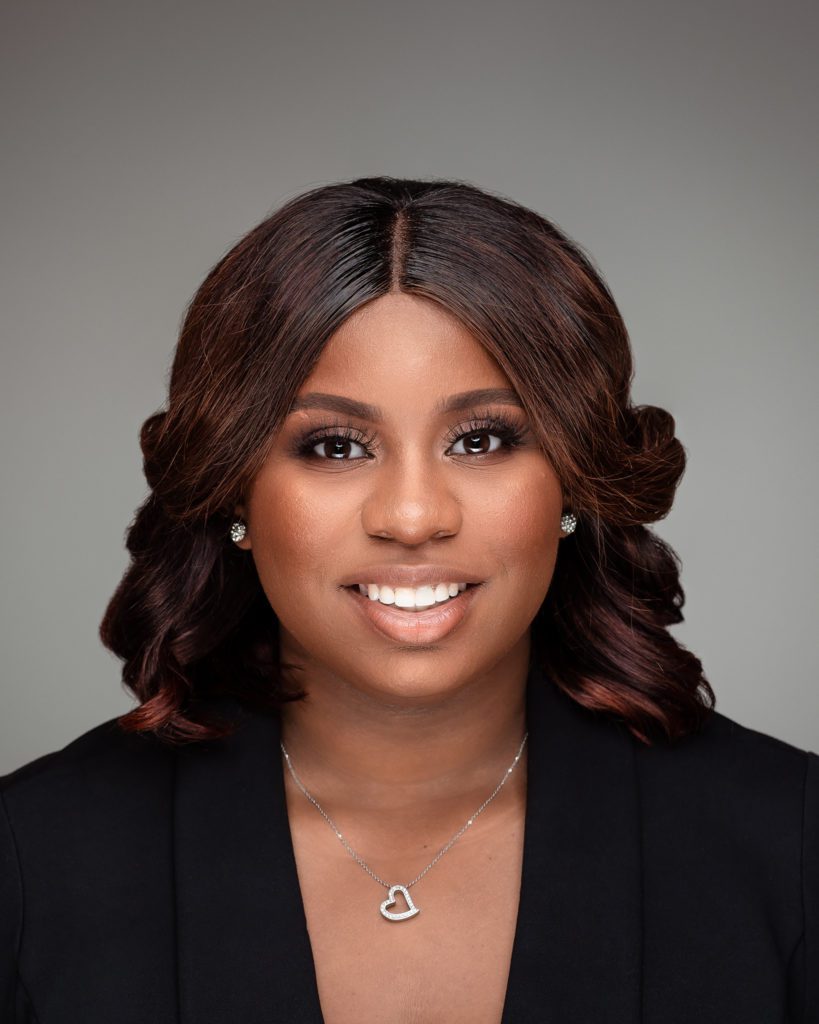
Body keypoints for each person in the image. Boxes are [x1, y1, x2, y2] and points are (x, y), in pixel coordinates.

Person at [0, 177, 816, 1023]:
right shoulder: (33, 860)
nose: (414, 516)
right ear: (234, 490)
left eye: (481, 439)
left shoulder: (785, 847)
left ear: (573, 477)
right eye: (334, 445)